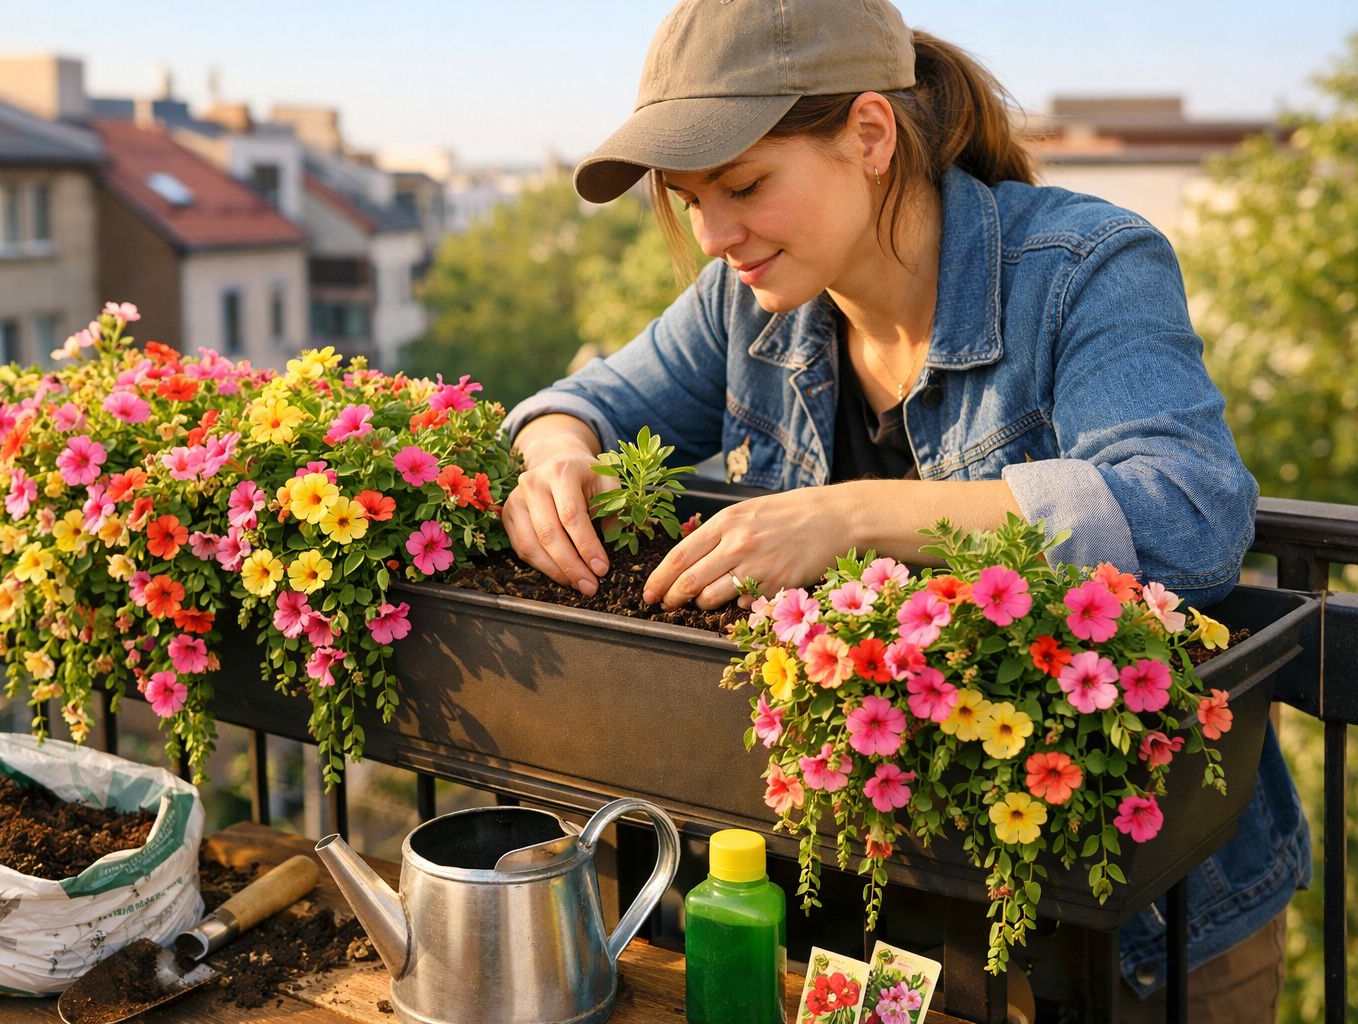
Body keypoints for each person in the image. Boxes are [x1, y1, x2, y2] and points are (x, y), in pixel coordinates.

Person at [499, 0, 1309, 1019]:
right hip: (887, 911)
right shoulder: (745, 302)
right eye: (689, 199)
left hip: (1134, 924)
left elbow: (1188, 514)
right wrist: (554, 461)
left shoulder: (1084, 266)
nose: (715, 236)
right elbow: (579, 403)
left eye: (745, 186)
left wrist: (851, 514)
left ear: (871, 135)